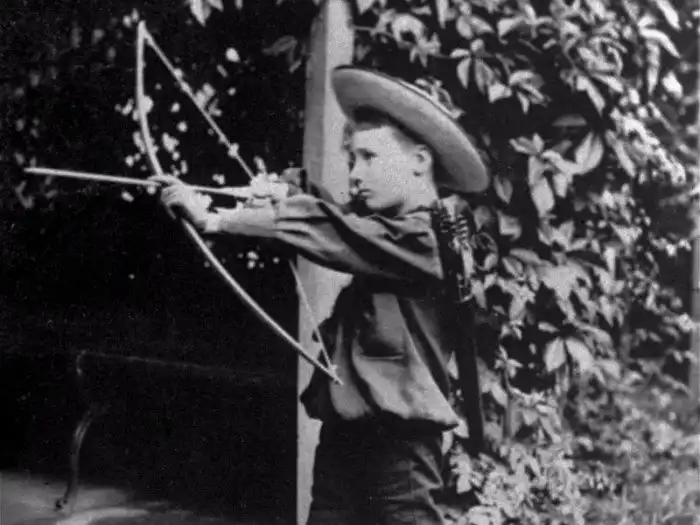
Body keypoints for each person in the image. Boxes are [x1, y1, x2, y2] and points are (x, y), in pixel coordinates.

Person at [152, 66, 489, 525]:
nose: (356, 174)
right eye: (352, 159)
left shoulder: (426, 238)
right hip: (347, 428)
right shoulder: (382, 229)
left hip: (401, 445)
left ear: (419, 160)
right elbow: (337, 217)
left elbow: (336, 230)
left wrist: (215, 219)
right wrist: (286, 192)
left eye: (370, 157)